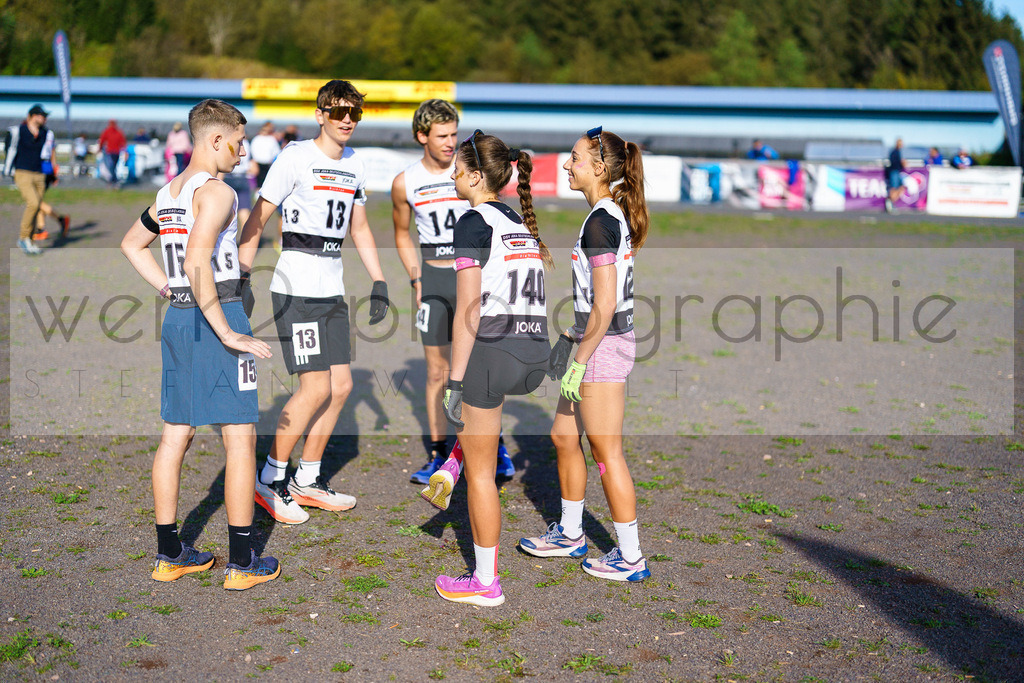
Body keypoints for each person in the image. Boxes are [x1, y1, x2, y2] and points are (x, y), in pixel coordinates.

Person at [120, 99, 280, 590]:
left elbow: (131, 244)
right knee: (240, 438)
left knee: (176, 435)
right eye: (238, 141)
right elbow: (196, 261)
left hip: (179, 317)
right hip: (218, 312)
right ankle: (241, 562)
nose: (241, 151)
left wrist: (169, 291)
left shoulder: (168, 192)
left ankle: (171, 555)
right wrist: (228, 329)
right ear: (216, 139)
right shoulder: (217, 193)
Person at [238, 80, 390, 525]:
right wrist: (243, 275)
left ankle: (307, 480)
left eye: (354, 113)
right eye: (338, 111)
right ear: (320, 114)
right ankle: (268, 480)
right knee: (315, 387)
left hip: (331, 288)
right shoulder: (295, 156)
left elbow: (359, 228)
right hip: (296, 286)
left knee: (340, 387)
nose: (347, 119)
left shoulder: (357, 164)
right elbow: (259, 215)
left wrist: (379, 280)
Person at [518, 126, 652, 584]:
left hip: (605, 345)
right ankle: (572, 534)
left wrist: (580, 359)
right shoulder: (603, 215)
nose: (566, 164)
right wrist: (573, 339)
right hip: (593, 340)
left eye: (574, 158)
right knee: (561, 435)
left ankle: (631, 556)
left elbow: (607, 302)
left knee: (606, 451)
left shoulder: (600, 220)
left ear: (598, 167)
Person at [431, 131, 551, 607]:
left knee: (482, 475)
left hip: (494, 353)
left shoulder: (472, 221)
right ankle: (456, 459)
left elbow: (469, 311)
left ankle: (484, 583)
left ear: (478, 176)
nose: (453, 177)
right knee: (481, 439)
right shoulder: (518, 222)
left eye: (458, 171)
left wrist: (455, 380)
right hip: (534, 353)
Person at [392, 100, 515, 488]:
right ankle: (439, 453)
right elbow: (400, 233)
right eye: (442, 135)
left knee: (483, 366)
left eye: (454, 134)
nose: (450, 143)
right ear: (421, 136)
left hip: (474, 280)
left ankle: (491, 446)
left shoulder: (471, 173)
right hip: (434, 280)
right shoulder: (405, 181)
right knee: (437, 372)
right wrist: (416, 280)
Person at [4, 104, 69, 254]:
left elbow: (50, 152)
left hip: (40, 174)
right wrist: (9, 170)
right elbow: (10, 150)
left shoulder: (46, 133)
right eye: (41, 115)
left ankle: (30, 240)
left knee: (36, 207)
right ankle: (23, 238)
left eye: (45, 116)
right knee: (33, 203)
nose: (44, 118)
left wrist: (53, 171)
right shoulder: (18, 131)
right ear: (31, 116)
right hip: (23, 172)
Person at [98, 119, 127, 185]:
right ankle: (114, 180)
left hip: (115, 152)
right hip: (110, 152)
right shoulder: (109, 131)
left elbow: (123, 143)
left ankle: (113, 180)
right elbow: (102, 140)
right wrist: (100, 148)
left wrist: (125, 152)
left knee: (112, 166)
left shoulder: (117, 132)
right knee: (111, 166)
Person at [884, 138, 905, 213]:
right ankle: (890, 203)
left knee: (901, 187)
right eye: (900, 143)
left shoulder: (898, 152)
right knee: (894, 188)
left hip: (897, 172)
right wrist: (902, 163)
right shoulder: (894, 152)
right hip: (894, 172)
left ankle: (891, 202)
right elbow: (892, 163)